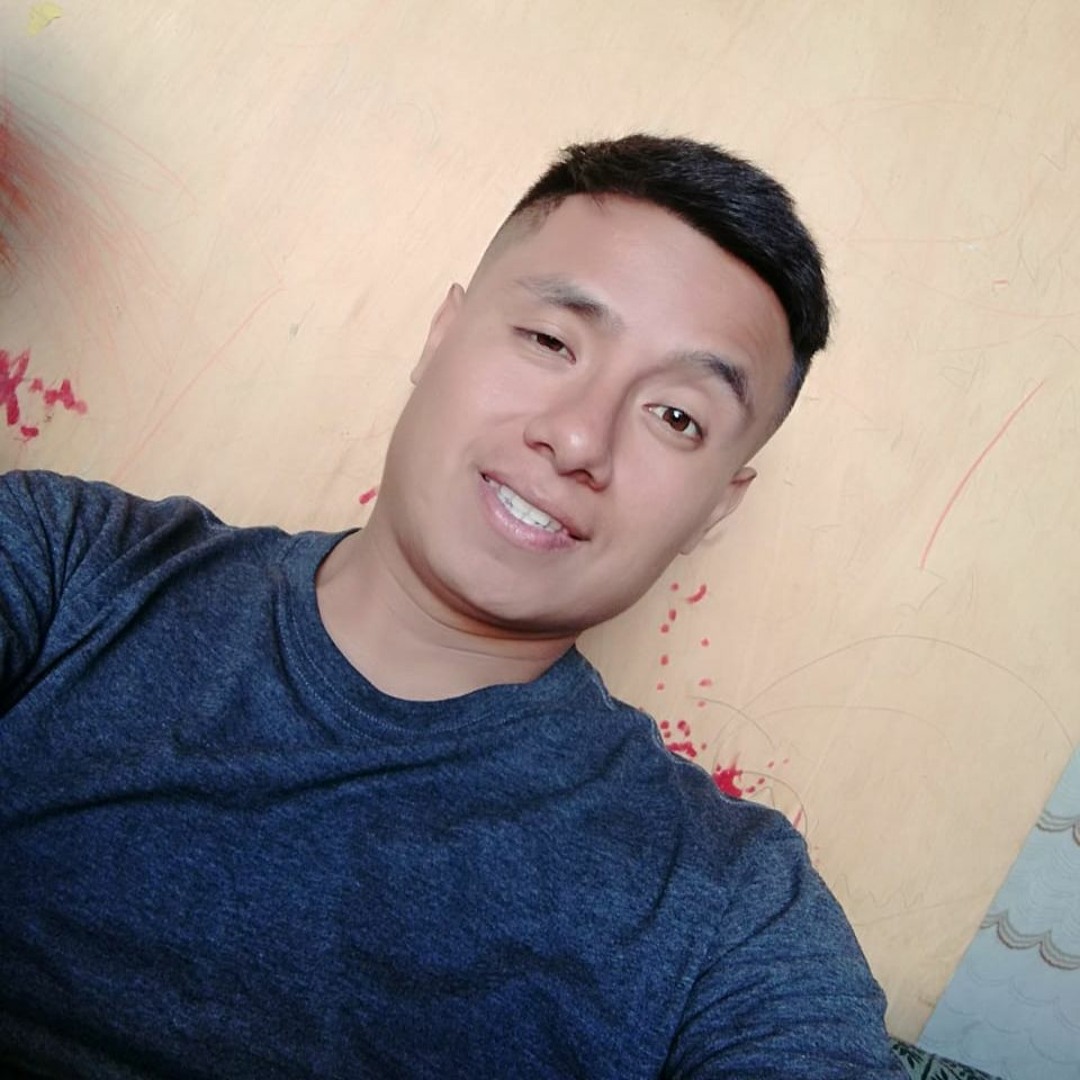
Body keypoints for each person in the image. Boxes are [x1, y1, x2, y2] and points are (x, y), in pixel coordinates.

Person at [0, 134, 905, 1078]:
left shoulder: (732, 904)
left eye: (677, 416)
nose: (578, 439)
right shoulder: (68, 564)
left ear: (716, 508)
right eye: (552, 342)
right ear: (440, 337)